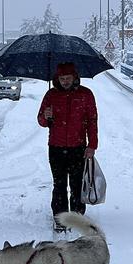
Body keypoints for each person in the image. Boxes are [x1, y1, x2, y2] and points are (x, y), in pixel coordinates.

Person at [38, 61, 98, 231]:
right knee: (59, 184)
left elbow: (92, 121)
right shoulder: (51, 95)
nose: (64, 81)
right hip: (56, 147)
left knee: (77, 185)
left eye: (68, 78)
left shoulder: (86, 95)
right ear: (57, 78)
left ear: (74, 77)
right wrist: (46, 116)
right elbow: (41, 121)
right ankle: (60, 217)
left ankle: (77, 217)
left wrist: (92, 145)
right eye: (62, 78)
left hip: (78, 147)